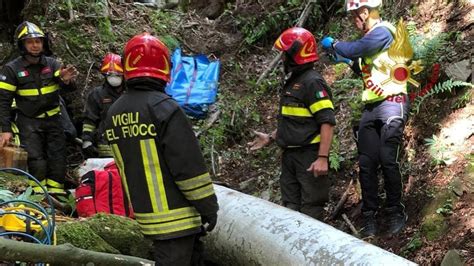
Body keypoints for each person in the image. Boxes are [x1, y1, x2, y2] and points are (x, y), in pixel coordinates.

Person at [104, 33, 219, 265]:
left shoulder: (114, 112)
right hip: (179, 216)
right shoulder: (165, 108)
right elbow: (188, 167)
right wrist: (208, 206)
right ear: (165, 68)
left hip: (147, 214)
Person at [321, 0, 409, 236]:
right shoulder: (373, 39)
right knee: (367, 163)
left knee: (387, 158)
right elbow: (364, 67)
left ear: (364, 12)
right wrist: (347, 61)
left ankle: (395, 210)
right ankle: (370, 215)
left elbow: (359, 49)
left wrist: (337, 45)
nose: (353, 21)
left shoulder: (384, 31)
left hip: (393, 102)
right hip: (372, 106)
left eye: (354, 16)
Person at [248, 27, 336, 221]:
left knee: (311, 209)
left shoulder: (312, 82)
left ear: (296, 54)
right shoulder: (294, 82)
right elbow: (295, 122)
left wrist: (322, 157)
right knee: (290, 207)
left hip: (309, 156)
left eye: (285, 53)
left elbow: (327, 122)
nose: (282, 58)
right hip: (290, 156)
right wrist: (271, 137)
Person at [0, 21, 78, 195]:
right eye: (30, 42)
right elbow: (3, 102)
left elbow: (69, 90)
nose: (35, 45)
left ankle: (57, 195)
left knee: (57, 157)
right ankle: (39, 195)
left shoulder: (53, 64)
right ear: (22, 45)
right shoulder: (12, 69)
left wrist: (66, 81)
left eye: (38, 41)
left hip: (54, 120)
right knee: (36, 159)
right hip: (29, 121)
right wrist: (6, 129)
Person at [82, 53, 124, 158]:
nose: (114, 78)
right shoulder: (97, 94)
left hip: (129, 146)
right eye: (110, 75)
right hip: (106, 149)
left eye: (117, 75)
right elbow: (89, 120)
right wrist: (87, 140)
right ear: (105, 75)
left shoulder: (132, 93)